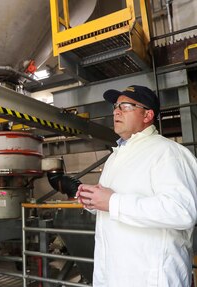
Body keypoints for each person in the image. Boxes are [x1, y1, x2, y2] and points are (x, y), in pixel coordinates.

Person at [77, 85, 197, 287]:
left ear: (147, 114)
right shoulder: (115, 157)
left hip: (152, 277)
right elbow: (113, 207)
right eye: (115, 106)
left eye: (125, 106)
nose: (116, 111)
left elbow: (182, 211)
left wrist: (113, 202)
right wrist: (94, 201)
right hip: (113, 274)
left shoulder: (168, 153)